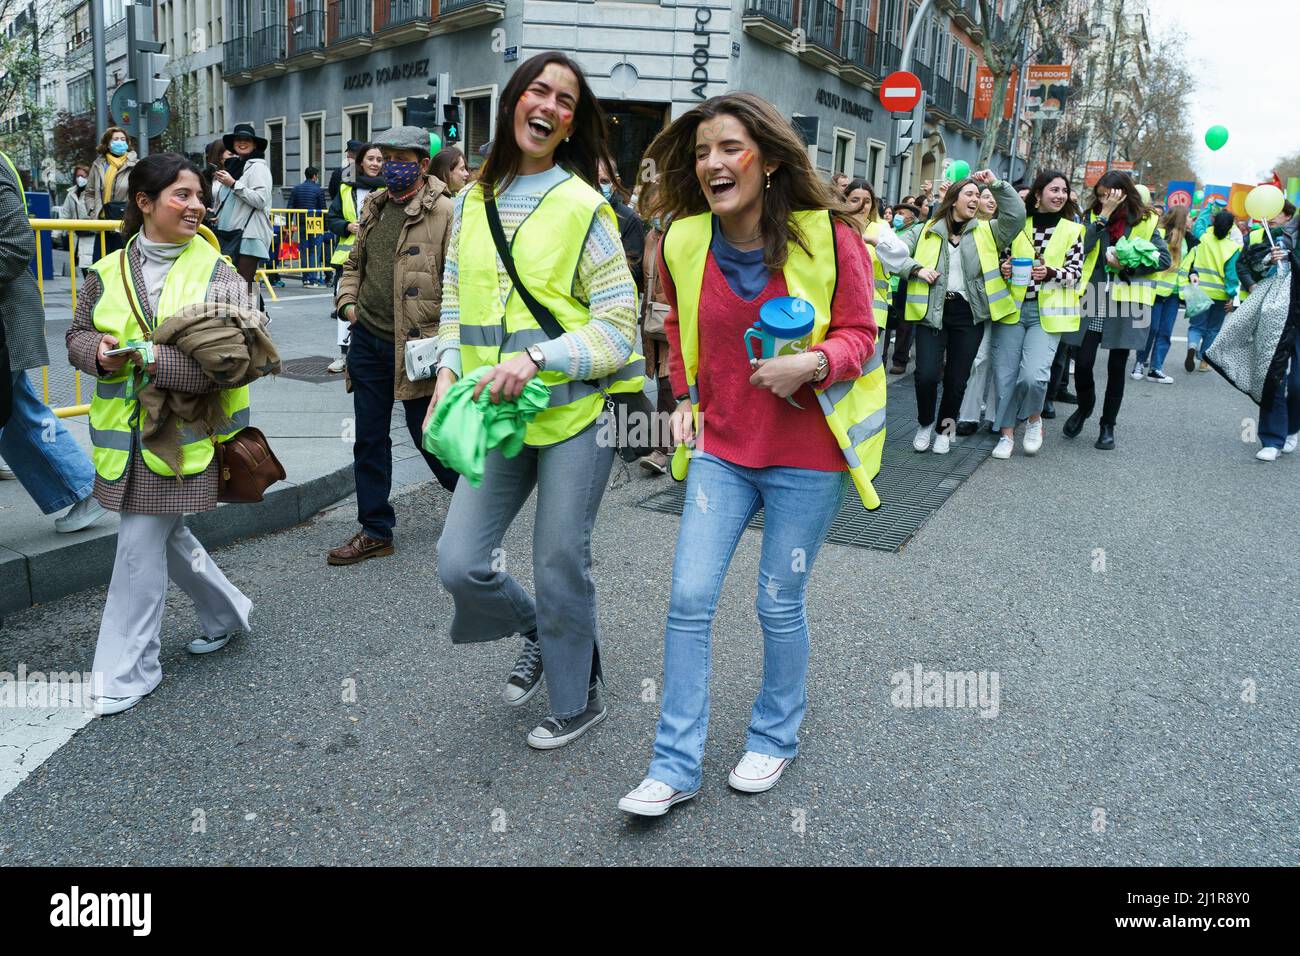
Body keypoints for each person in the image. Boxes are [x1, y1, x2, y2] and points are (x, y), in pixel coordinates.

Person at [617, 92, 881, 817]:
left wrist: (814, 363)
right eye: (702, 152)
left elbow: (861, 333)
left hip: (807, 457)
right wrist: (680, 404)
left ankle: (774, 735)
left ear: (766, 159)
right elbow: (677, 340)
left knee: (777, 601)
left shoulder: (826, 236)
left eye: (729, 148)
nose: (712, 163)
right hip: (722, 451)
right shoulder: (680, 241)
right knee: (690, 599)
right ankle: (674, 766)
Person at [431, 51, 643, 750]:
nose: (549, 106)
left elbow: (618, 327)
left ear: (572, 123)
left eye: (566, 101)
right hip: (497, 410)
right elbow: (457, 301)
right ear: (513, 100)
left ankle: (577, 690)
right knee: (460, 561)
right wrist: (444, 380)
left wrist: (537, 358)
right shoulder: (472, 200)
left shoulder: (587, 205)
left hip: (579, 409)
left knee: (559, 558)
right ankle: (535, 628)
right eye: (538, 90)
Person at [65, 153, 263, 716]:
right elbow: (78, 336)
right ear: (144, 204)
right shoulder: (104, 271)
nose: (196, 206)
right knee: (162, 537)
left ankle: (129, 669)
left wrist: (154, 362)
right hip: (122, 441)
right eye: (181, 196)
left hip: (183, 439)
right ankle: (227, 613)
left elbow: (235, 361)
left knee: (136, 546)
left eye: (200, 196)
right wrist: (99, 355)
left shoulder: (221, 274)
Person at [327, 126, 459, 565]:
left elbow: (459, 283)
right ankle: (375, 529)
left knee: (431, 436)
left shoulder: (447, 213)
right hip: (368, 340)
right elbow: (353, 264)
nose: (392, 167)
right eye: (386, 158)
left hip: (419, 349)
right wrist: (348, 304)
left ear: (423, 165)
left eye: (403, 159)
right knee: (369, 437)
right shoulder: (374, 206)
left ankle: (473, 502)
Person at [0, 149, 107, 532]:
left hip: (6, 318)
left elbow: (14, 245)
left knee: (19, 409)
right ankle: (84, 486)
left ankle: (85, 487)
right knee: (18, 409)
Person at [898, 172, 1026, 454]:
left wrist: (996, 184)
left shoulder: (988, 230)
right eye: (970, 194)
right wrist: (916, 270)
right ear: (953, 199)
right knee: (926, 375)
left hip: (968, 313)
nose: (976, 199)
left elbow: (1017, 215)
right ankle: (924, 424)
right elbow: (893, 252)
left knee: (958, 379)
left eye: (978, 196)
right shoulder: (925, 230)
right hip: (933, 310)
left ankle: (946, 430)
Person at [1060, 172, 1170, 449]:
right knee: (1082, 362)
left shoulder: (1146, 220)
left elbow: (1163, 259)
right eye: (1099, 195)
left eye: (1107, 194)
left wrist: (1129, 266)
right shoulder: (1090, 217)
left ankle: (1108, 424)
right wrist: (1103, 215)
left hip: (1128, 299)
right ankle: (1085, 407)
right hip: (1092, 294)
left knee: (1117, 366)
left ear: (1122, 192)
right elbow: (1080, 250)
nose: (1102, 199)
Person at [989, 170, 1086, 459]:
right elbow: (1000, 259)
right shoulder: (1018, 224)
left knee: (1033, 377)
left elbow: (1076, 273)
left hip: (1049, 313)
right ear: (1039, 193)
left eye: (1063, 191)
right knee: (1005, 376)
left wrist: (1051, 272)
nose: (1059, 195)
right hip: (1011, 308)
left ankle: (1033, 419)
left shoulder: (1073, 230)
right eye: (1053, 190)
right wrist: (1004, 268)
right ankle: (1006, 434)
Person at [326, 143, 386, 373]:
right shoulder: (345, 188)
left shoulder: (391, 189)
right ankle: (344, 355)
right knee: (346, 304)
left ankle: (370, 353)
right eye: (370, 159)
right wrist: (346, 225)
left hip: (379, 257)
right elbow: (332, 219)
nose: (375, 164)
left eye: (380, 160)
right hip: (348, 259)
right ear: (360, 162)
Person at [1248, 217, 1299, 460]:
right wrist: (1269, 259)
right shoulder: (1280, 233)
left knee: (1298, 384)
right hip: (1279, 314)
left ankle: (1292, 427)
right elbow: (1249, 263)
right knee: (1274, 376)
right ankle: (1271, 438)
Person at [956, 184, 1004, 433]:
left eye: (995, 198)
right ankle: (969, 415)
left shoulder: (1003, 230)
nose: (990, 201)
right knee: (979, 359)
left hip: (1007, 303)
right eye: (986, 196)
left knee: (1002, 362)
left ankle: (997, 415)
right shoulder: (967, 229)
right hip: (979, 306)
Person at [844, 178, 908, 360]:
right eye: (855, 200)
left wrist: (874, 241)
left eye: (867, 201)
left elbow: (901, 254)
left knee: (868, 367)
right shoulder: (836, 226)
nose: (861, 206)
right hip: (842, 309)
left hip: (872, 312)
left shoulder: (880, 228)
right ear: (845, 201)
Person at [636, 182, 674, 476]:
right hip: (656, 324)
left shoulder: (687, 233)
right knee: (666, 386)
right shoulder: (652, 236)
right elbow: (642, 279)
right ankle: (667, 445)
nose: (657, 212)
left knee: (672, 386)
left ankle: (662, 449)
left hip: (682, 324)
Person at [1132, 205, 1192, 383]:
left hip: (1174, 293)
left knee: (1165, 332)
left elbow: (1185, 266)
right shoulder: (1158, 233)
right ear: (1181, 218)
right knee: (1151, 330)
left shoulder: (1187, 240)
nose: (1191, 220)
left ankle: (1156, 368)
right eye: (1188, 217)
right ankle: (1139, 363)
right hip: (1156, 290)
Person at [212, 123, 273, 287]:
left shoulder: (258, 167)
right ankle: (255, 312)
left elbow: (261, 200)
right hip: (232, 234)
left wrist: (233, 184)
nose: (242, 143)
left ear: (254, 144)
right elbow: (233, 203)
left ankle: (252, 313)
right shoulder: (236, 166)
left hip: (249, 235)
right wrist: (214, 213)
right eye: (238, 140)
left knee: (244, 285)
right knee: (236, 286)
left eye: (247, 140)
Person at [1182, 210, 1240, 373]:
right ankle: (1203, 361)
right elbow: (1231, 276)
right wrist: (1232, 296)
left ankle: (1192, 346)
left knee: (1196, 326)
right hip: (1220, 295)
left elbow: (1200, 222)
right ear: (1230, 228)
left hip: (1198, 290)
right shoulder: (1233, 248)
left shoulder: (1203, 238)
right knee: (1213, 329)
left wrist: (1207, 207)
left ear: (1213, 224)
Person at [84, 127, 137, 258]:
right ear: (107, 144)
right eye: (116, 139)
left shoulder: (135, 165)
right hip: (103, 223)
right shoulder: (98, 165)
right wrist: (92, 210)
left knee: (123, 264)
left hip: (125, 224)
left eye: (123, 139)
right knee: (100, 263)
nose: (120, 142)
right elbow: (89, 192)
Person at [599, 159, 645, 296]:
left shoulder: (630, 219)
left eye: (604, 181)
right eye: (592, 180)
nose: (598, 186)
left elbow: (634, 271)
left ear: (615, 183)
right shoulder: (579, 213)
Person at [887, 201, 924, 373]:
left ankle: (900, 360)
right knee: (885, 322)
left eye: (902, 213)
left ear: (912, 217)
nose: (897, 216)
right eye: (897, 213)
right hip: (888, 284)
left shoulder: (916, 232)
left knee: (904, 324)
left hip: (905, 283)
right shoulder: (890, 231)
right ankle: (880, 358)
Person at [1237, 201, 1293, 301]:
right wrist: (1251, 285)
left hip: (1282, 301)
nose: (1271, 217)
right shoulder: (1254, 235)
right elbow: (1241, 264)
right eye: (1269, 213)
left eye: (1276, 213)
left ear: (1288, 216)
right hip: (1250, 298)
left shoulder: (1294, 239)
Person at [288, 165, 329, 286]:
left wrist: (288, 224)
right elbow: (323, 209)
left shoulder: (296, 189)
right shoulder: (318, 190)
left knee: (304, 250)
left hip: (301, 222)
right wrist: (325, 226)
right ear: (315, 176)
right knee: (314, 251)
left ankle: (305, 278)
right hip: (315, 222)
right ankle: (312, 279)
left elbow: (290, 207)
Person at [59, 163, 96, 277]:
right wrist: (56, 233)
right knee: (83, 268)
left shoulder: (94, 193)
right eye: (78, 176)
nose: (80, 179)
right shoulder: (71, 194)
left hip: (91, 235)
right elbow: (65, 214)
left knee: (90, 268)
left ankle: (93, 293)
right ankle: (90, 293)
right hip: (77, 237)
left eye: (83, 176)